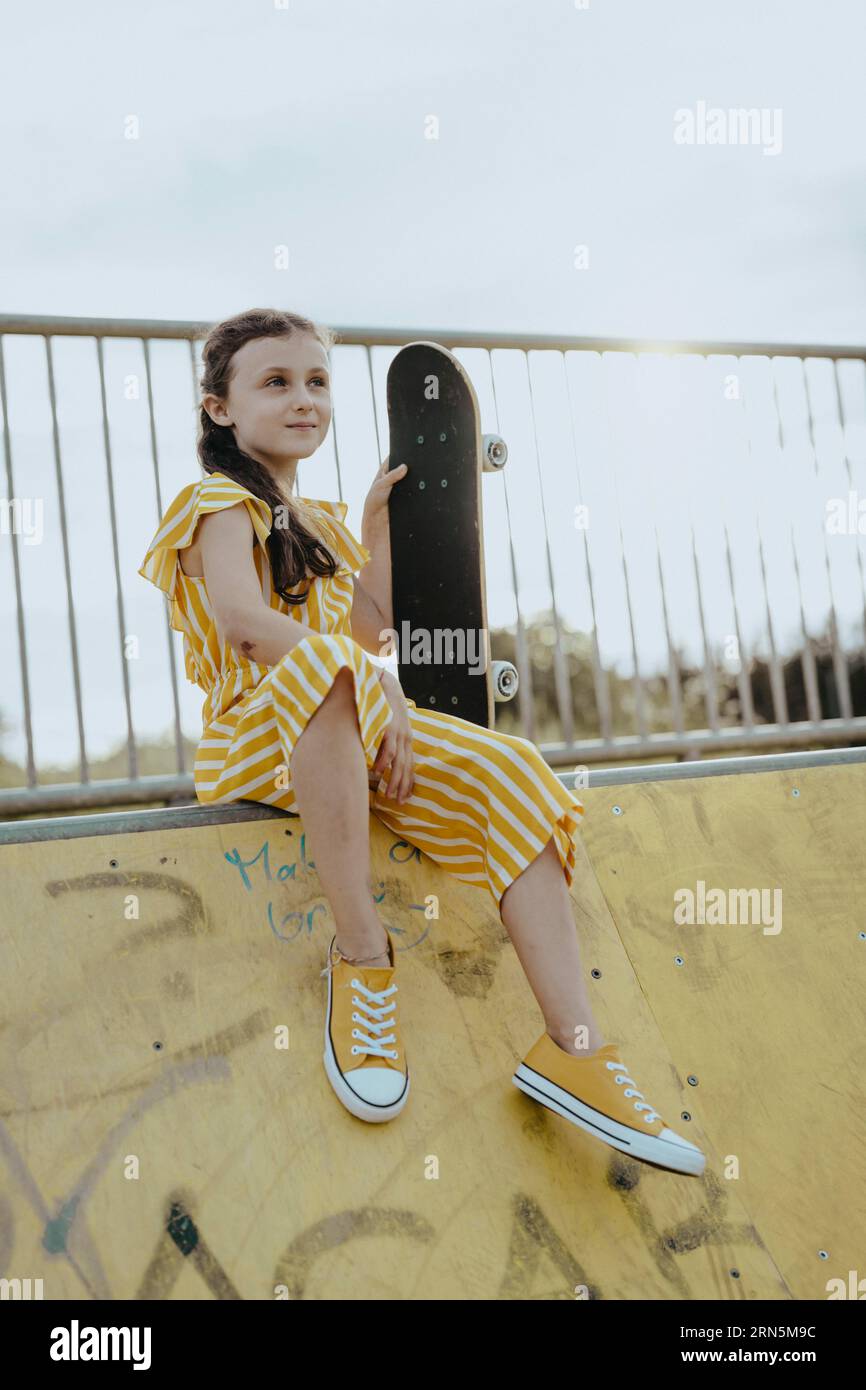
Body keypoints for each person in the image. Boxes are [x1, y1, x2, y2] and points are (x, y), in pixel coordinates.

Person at [138, 306, 705, 1177]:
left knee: (511, 767)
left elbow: (366, 634)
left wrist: (373, 539)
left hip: (339, 720)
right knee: (321, 675)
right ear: (219, 408)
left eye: (318, 381)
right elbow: (250, 631)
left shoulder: (317, 520)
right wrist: (367, 680)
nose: (304, 399)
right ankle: (363, 960)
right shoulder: (218, 502)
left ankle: (574, 1049)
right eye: (276, 381)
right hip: (253, 736)